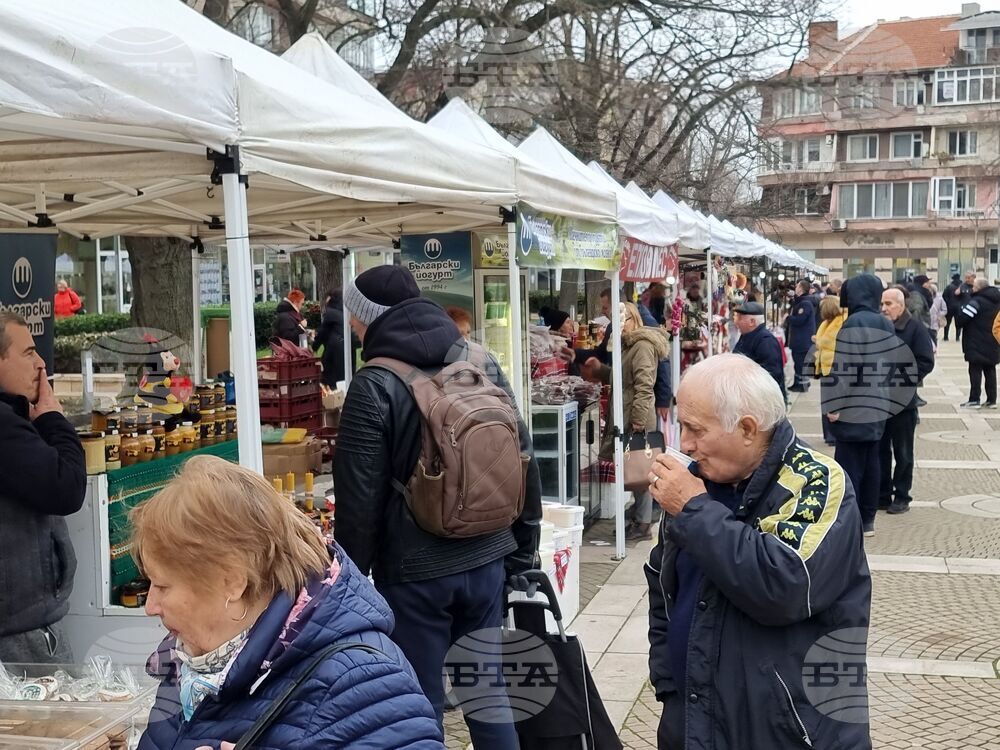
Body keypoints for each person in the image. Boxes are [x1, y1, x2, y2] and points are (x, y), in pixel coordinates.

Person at [333, 265, 541, 748]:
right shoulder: (479, 360)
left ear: (367, 318)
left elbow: (359, 500)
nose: (351, 325)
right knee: (487, 694)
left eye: (354, 316)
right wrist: (522, 551)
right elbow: (522, 458)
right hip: (487, 556)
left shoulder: (374, 382)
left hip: (414, 574)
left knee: (418, 705)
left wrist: (349, 585)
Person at [132, 456, 444, 750]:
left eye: (163, 586)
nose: (151, 606)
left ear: (232, 581)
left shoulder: (361, 682)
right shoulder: (195, 662)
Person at [645, 353, 872, 750]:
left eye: (695, 429)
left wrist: (694, 510)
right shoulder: (697, 481)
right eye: (681, 426)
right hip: (693, 718)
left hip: (793, 730)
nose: (685, 444)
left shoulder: (817, 481)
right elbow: (663, 582)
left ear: (748, 429)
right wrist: (668, 683)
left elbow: (784, 586)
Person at [0, 312, 87, 663]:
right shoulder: (3, 426)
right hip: (18, 632)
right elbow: (66, 487)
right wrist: (53, 419)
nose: (40, 363)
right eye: (27, 353)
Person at [586, 302, 668, 541]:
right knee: (633, 469)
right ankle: (638, 517)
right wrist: (601, 370)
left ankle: (643, 523)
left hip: (635, 417)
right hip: (626, 414)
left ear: (634, 320)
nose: (620, 325)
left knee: (641, 470)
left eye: (624, 319)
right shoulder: (626, 345)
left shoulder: (642, 346)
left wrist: (638, 420)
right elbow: (621, 377)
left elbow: (644, 386)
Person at [826, 274, 895, 537]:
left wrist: (835, 404)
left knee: (849, 465)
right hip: (879, 401)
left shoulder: (854, 323)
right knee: (872, 461)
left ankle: (850, 520)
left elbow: (845, 368)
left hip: (854, 405)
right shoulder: (884, 322)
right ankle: (867, 520)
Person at [878, 289, 935, 514]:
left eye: (889, 303)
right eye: (882, 303)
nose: (884, 308)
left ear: (901, 305)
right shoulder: (880, 326)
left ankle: (902, 496)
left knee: (903, 453)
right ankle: (882, 495)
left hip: (903, 402)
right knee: (881, 451)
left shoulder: (915, 328)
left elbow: (926, 361)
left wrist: (902, 378)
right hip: (879, 400)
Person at [957, 278, 1000, 408]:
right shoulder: (997, 301)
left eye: (974, 286)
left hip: (975, 341)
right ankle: (992, 400)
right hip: (993, 341)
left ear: (980, 288)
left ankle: (974, 399)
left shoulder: (976, 301)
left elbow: (961, 319)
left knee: (975, 370)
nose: (972, 288)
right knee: (990, 370)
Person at [731, 301, 785, 400]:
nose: (736, 322)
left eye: (740, 318)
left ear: (752, 322)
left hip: (763, 400)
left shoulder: (766, 341)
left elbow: (772, 374)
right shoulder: (746, 335)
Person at [813, 295, 847, 446]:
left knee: (832, 402)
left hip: (834, 366)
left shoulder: (841, 323)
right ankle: (828, 434)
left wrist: (818, 341)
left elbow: (830, 343)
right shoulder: (829, 322)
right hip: (825, 367)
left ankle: (833, 434)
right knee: (826, 402)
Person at [786, 280, 817, 392]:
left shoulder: (805, 303)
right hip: (801, 338)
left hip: (802, 339)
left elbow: (800, 320)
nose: (795, 288)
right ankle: (800, 382)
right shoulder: (802, 301)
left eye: (797, 286)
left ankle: (801, 385)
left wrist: (788, 318)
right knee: (799, 362)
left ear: (801, 289)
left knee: (800, 362)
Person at [312, 290, 345, 388]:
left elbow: (323, 332)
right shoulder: (343, 312)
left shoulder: (330, 313)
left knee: (329, 375)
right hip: (345, 348)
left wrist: (314, 347)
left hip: (334, 348)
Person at [942, 273, 963, 342]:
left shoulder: (949, 287)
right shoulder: (962, 286)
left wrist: (947, 303)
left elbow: (944, 296)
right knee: (958, 323)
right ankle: (957, 337)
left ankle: (946, 337)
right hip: (959, 307)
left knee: (947, 322)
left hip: (950, 307)